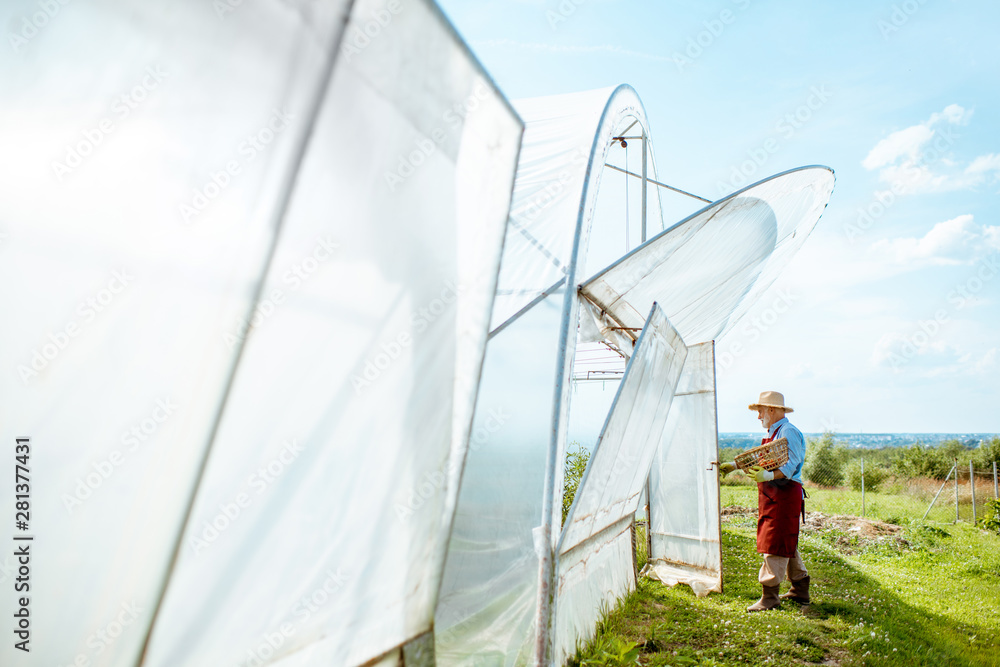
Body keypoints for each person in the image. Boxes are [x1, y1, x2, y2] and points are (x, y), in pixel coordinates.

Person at [720, 390, 809, 612]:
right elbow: (763, 456)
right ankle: (800, 590)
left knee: (775, 543)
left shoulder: (788, 432)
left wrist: (768, 476)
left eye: (760, 411)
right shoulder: (775, 431)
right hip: (774, 495)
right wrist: (734, 465)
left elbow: (790, 465)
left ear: (771, 409)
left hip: (784, 494)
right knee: (786, 541)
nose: (758, 416)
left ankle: (770, 597)